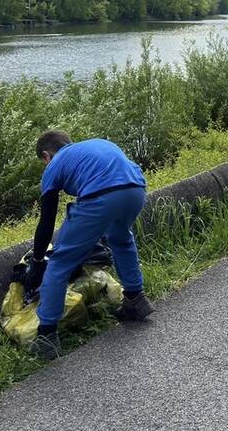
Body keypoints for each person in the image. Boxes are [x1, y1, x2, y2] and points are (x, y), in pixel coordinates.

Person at [24, 131, 155, 359]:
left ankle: (46, 336)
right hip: (136, 189)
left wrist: (37, 260)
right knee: (121, 239)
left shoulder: (54, 165)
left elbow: (46, 222)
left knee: (60, 261)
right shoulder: (96, 145)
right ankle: (135, 299)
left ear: (47, 155)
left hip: (101, 196)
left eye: (44, 161)